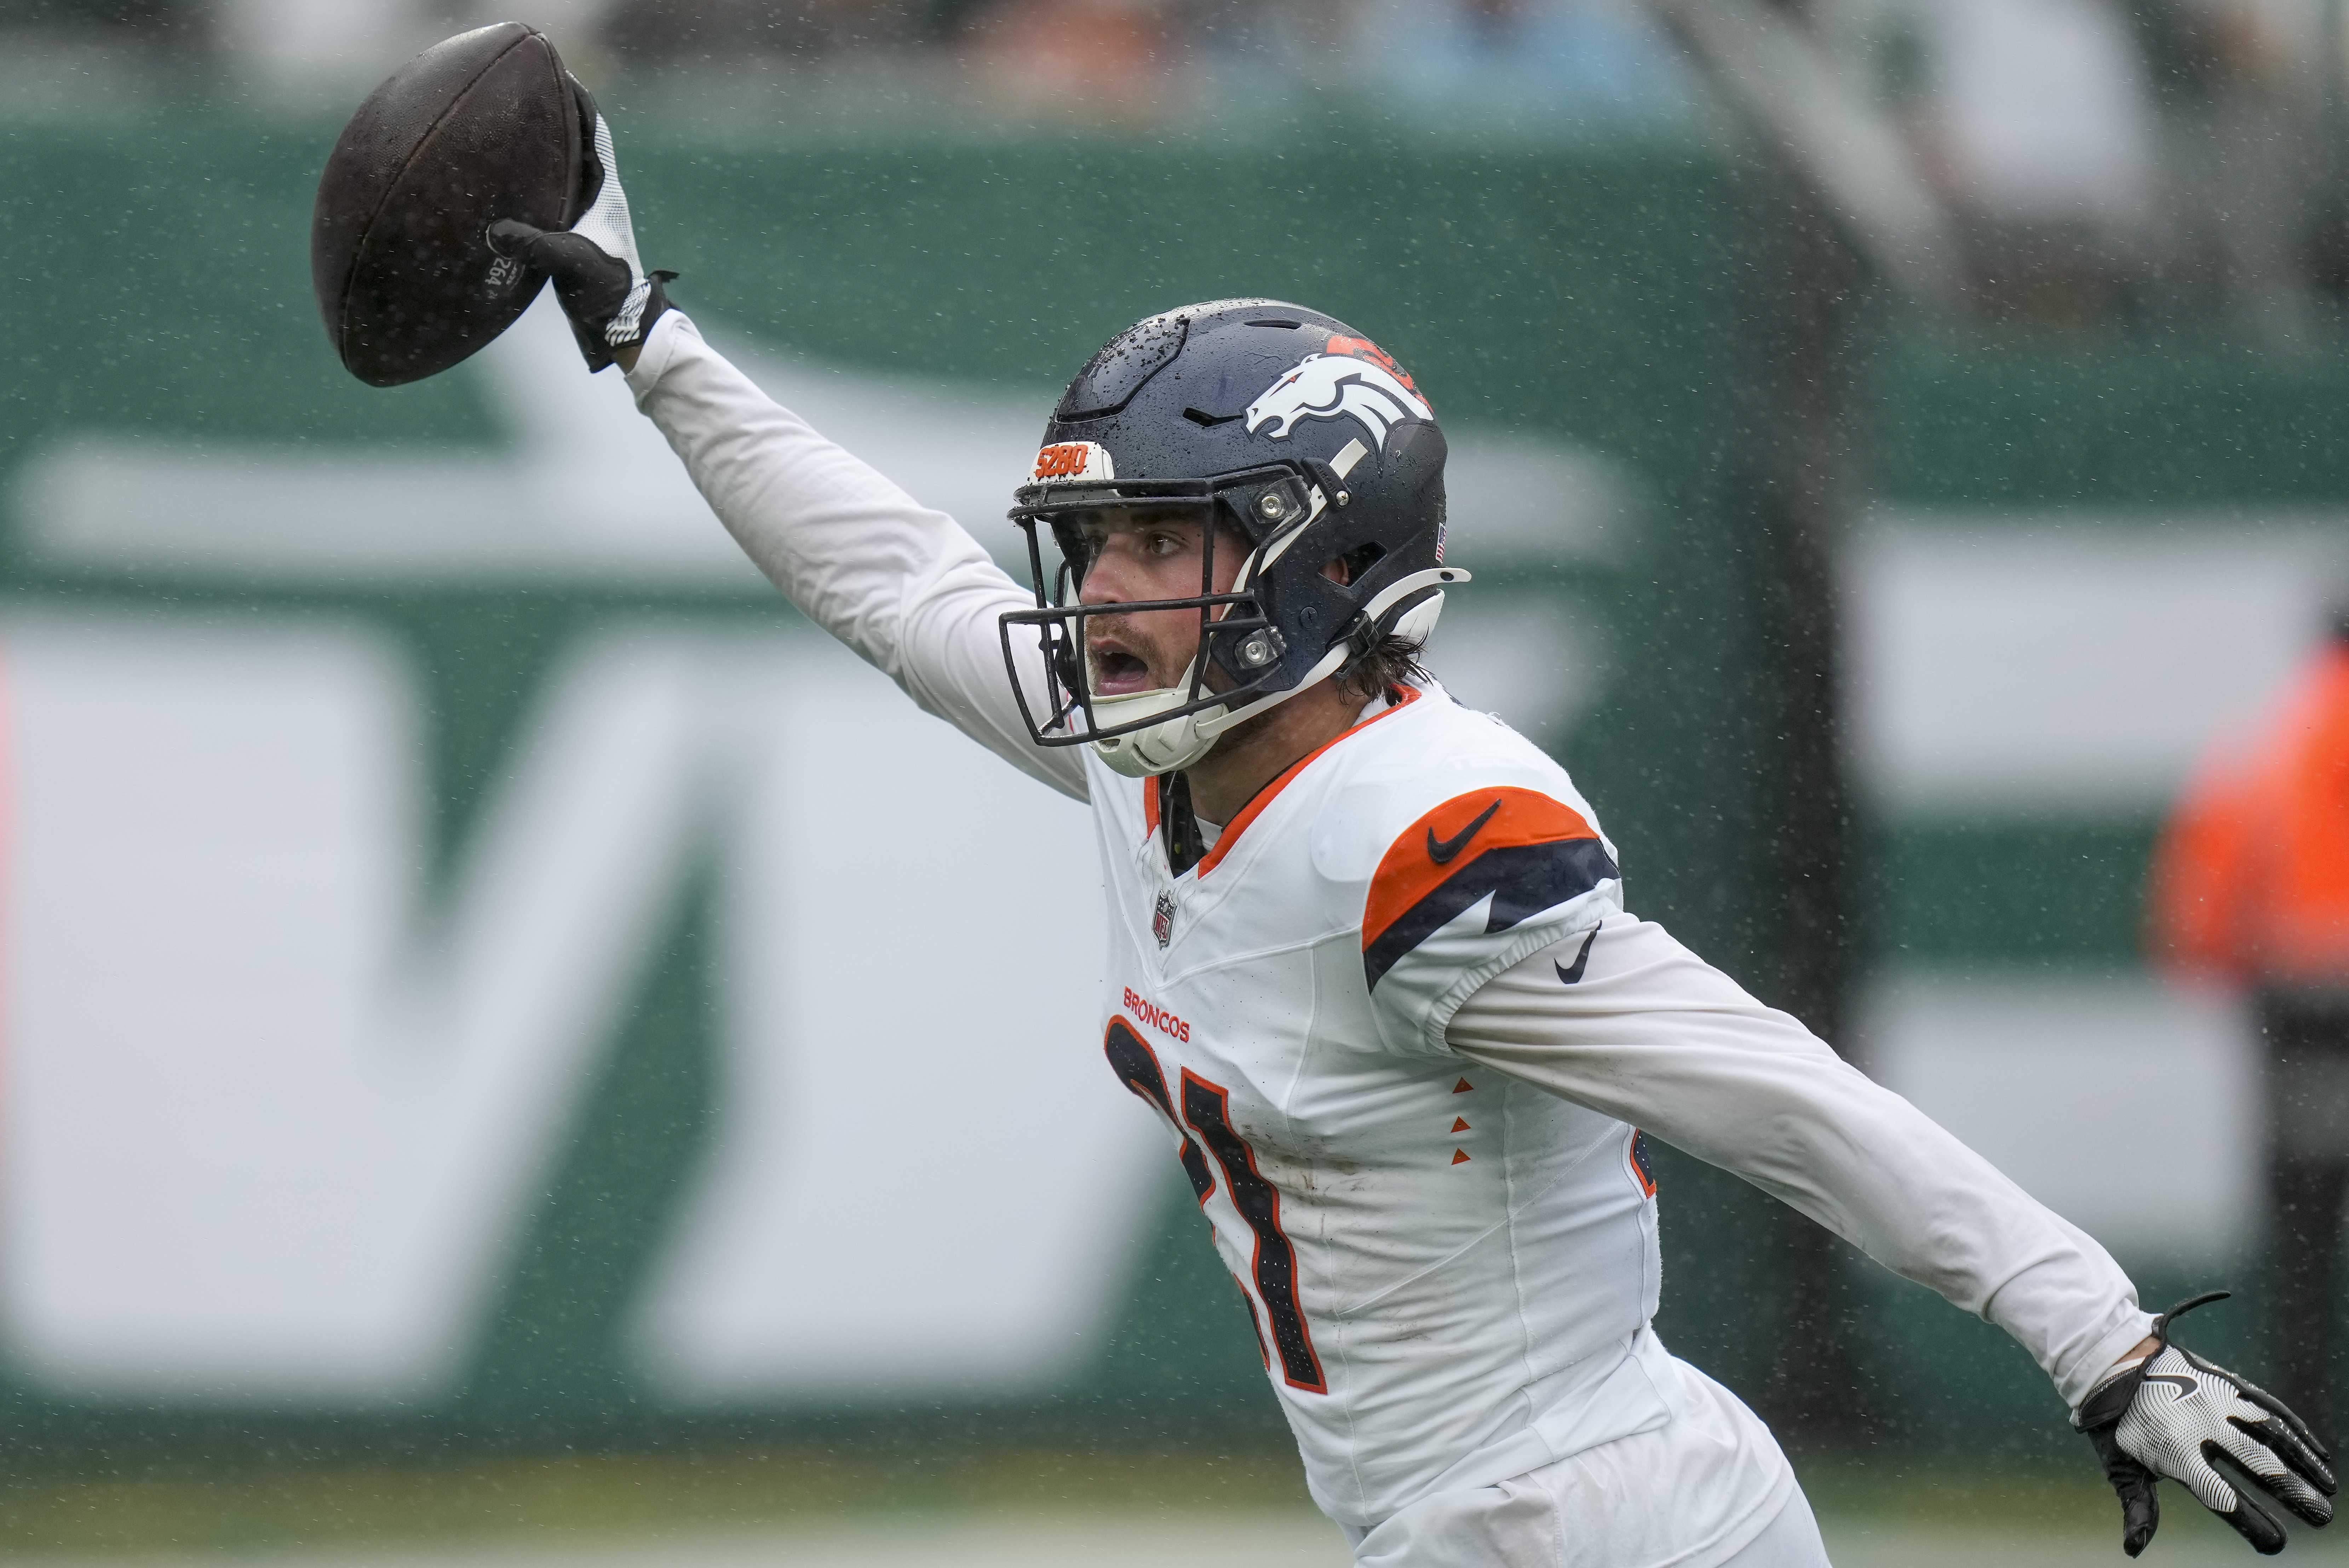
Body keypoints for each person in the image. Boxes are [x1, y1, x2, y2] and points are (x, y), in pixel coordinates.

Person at [487, 99, 2335, 1565]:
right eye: (1099, 545)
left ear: (1322, 557)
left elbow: (1772, 1094)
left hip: (1597, 1519)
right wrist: (648, 347)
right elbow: (888, 580)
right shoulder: (1152, 753)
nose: (1105, 592)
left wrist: (2091, 1336)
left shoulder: (1416, 834)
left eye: (1161, 543)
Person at [2149, 614, 2349, 1452]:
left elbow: (2203, 889)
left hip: (2304, 1005)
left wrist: (2226, 961)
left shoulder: (2274, 731)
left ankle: (2301, 1432)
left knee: (2303, 1231)